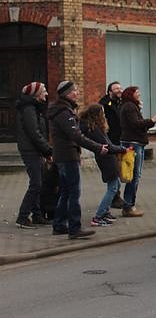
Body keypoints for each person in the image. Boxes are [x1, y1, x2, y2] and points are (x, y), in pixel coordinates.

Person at [48, 81, 106, 239]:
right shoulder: (63, 112)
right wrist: (98, 147)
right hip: (67, 156)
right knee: (74, 192)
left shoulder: (62, 110)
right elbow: (75, 136)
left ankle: (59, 225)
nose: (77, 92)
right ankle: (75, 227)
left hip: (64, 155)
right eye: (74, 90)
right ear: (67, 94)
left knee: (65, 191)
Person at [78, 104, 127, 226]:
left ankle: (105, 212)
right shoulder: (95, 129)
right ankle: (99, 216)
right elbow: (108, 146)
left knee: (115, 185)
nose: (104, 115)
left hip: (106, 158)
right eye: (103, 113)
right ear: (98, 115)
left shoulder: (95, 127)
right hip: (107, 159)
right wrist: (122, 149)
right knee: (113, 187)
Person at [14, 82, 53, 229]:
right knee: (36, 184)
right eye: (43, 91)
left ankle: (37, 215)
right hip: (30, 150)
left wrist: (44, 151)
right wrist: (47, 150)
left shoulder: (34, 108)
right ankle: (23, 217)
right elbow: (34, 133)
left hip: (35, 150)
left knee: (39, 182)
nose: (46, 94)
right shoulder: (28, 109)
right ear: (35, 94)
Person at [119, 86, 156, 217]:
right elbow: (135, 124)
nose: (139, 94)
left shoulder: (130, 106)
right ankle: (128, 206)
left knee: (134, 175)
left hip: (134, 141)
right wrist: (152, 121)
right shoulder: (129, 107)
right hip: (134, 143)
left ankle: (129, 204)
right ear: (130, 94)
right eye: (136, 92)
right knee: (134, 175)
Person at [99, 81, 125, 208]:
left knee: (120, 169)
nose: (119, 90)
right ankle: (115, 197)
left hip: (121, 140)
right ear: (110, 91)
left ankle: (116, 195)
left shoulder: (122, 103)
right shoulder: (104, 104)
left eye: (120, 88)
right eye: (116, 89)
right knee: (113, 170)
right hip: (110, 141)